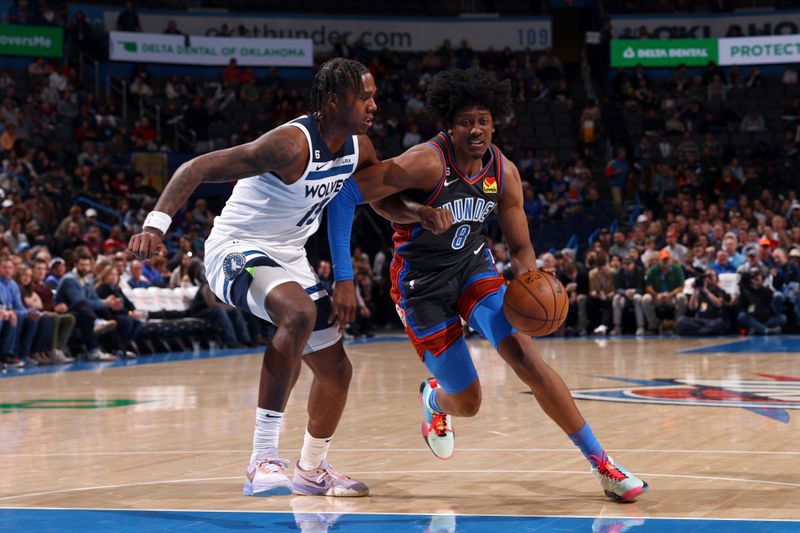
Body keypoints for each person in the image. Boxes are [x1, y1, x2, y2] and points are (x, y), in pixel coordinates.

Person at [128, 58, 451, 499]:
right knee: (297, 314)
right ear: (334, 100)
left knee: (337, 370)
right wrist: (153, 226)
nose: (374, 104)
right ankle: (262, 458)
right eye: (365, 96)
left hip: (288, 256)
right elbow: (196, 168)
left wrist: (418, 212)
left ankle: (312, 470)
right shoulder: (289, 145)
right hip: (236, 247)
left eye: (374, 95)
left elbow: (377, 201)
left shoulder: (360, 147)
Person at [328, 68, 647, 502]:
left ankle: (604, 465)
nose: (475, 129)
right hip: (422, 286)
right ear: (449, 125)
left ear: (495, 122)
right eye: (465, 121)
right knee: (471, 401)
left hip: (473, 269)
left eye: (483, 120)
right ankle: (436, 401)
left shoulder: (504, 171)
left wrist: (529, 284)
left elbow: (520, 247)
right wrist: (412, 217)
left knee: (527, 359)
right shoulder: (426, 160)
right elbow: (349, 194)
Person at [642, 249, 687, 333]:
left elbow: (681, 287)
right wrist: (656, 295)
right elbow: (648, 286)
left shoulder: (677, 269)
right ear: (659, 260)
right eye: (663, 260)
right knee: (645, 298)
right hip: (657, 297)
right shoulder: (653, 269)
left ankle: (678, 325)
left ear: (671, 259)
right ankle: (653, 326)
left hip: (672, 296)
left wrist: (670, 295)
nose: (665, 261)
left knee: (682, 297)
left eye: (667, 259)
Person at [676, 270, 729, 336]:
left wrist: (706, 291)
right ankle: (704, 331)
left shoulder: (720, 291)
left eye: (712, 275)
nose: (710, 278)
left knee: (720, 323)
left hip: (713, 320)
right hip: (699, 321)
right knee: (682, 320)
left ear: (716, 278)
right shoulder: (699, 292)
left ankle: (696, 332)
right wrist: (696, 290)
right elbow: (692, 308)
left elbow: (719, 304)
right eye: (708, 276)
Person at [611, 255, 645, 336]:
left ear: (633, 263)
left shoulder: (639, 271)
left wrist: (632, 292)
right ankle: (617, 326)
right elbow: (617, 288)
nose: (627, 266)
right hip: (624, 294)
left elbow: (641, 288)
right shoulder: (618, 272)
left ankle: (640, 327)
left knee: (637, 298)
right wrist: (624, 294)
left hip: (636, 294)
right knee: (616, 298)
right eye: (625, 264)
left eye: (629, 264)